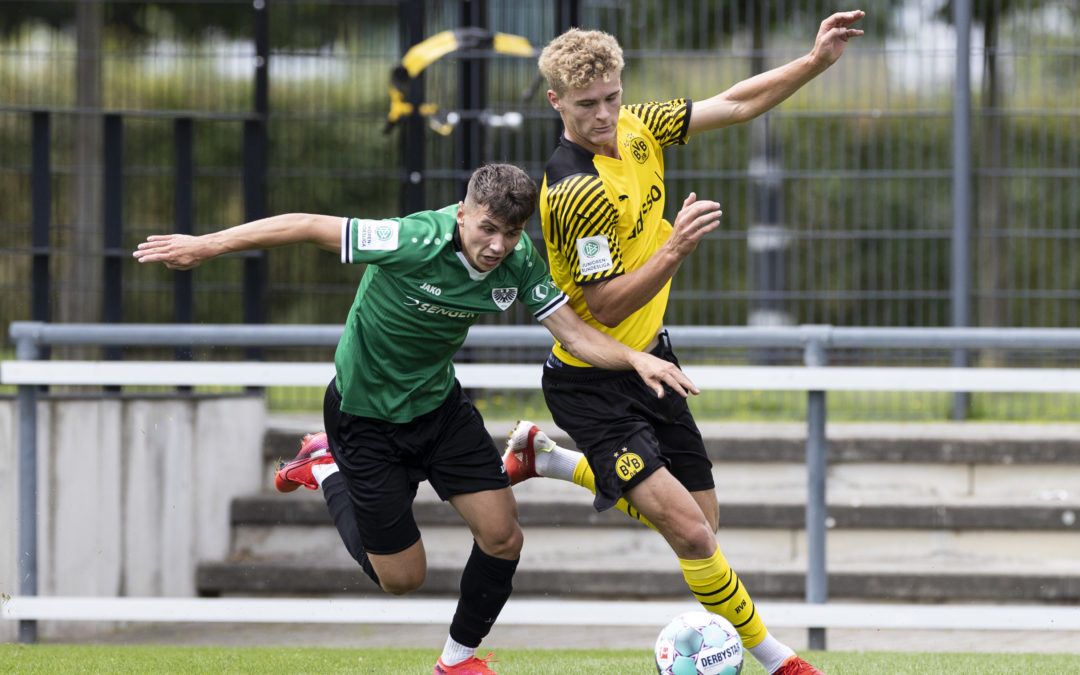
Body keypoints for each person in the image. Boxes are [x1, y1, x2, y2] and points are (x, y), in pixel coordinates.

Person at [133, 163, 698, 675]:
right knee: (402, 579)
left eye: (509, 232)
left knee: (503, 537)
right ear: (462, 213)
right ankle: (326, 467)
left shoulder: (522, 262)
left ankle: (456, 662)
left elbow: (575, 333)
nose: (497, 245)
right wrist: (205, 245)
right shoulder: (411, 239)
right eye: (486, 229)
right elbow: (304, 223)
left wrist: (635, 357)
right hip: (363, 419)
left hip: (440, 411)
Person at [502, 12, 866, 675]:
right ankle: (780, 660)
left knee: (703, 518)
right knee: (693, 534)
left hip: (653, 365)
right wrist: (674, 247)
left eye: (612, 96)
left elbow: (734, 102)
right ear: (555, 102)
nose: (605, 114)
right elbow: (607, 302)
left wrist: (813, 62)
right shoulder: (576, 187)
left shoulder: (637, 126)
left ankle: (548, 460)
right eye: (587, 105)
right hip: (591, 377)